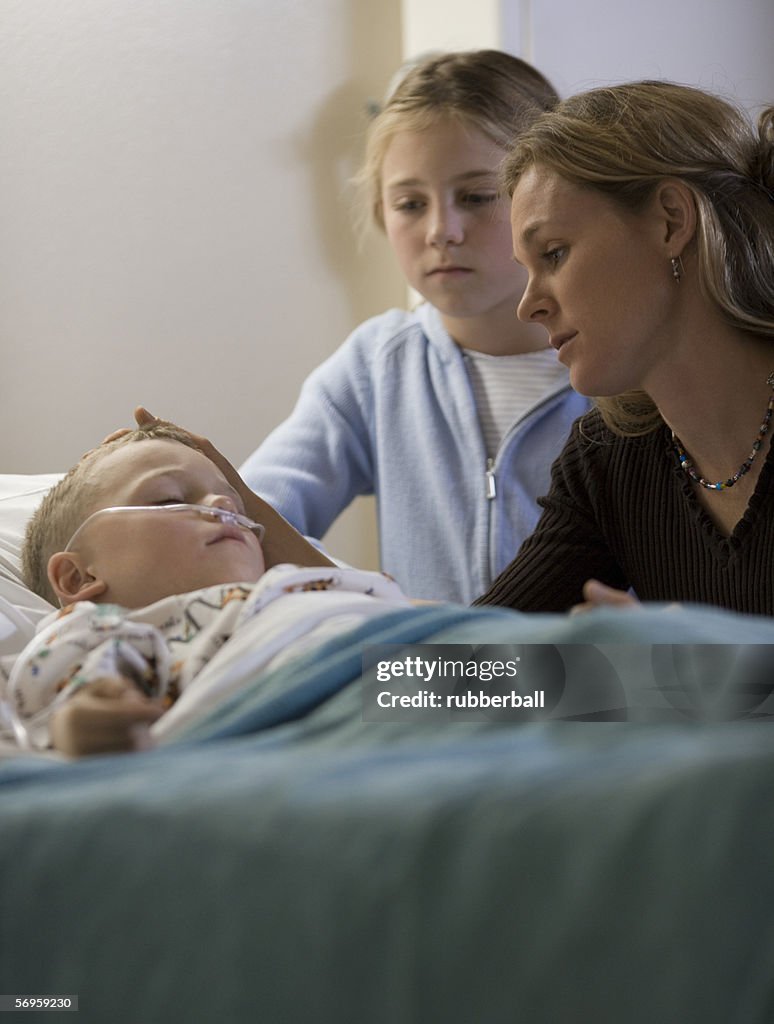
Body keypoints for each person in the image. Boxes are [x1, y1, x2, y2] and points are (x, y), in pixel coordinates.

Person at [239, 50, 590, 604]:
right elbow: (249, 524)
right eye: (409, 203)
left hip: (586, 686)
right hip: (426, 685)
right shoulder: (377, 365)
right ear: (381, 212)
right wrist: (371, 603)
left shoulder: (620, 365)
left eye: (476, 197)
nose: (441, 230)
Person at [473, 80, 774, 615]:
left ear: (670, 221)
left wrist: (665, 672)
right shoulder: (607, 460)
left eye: (555, 254)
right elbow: (459, 672)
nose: (529, 306)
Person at [7, 423, 410, 756]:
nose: (221, 503)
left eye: (236, 507)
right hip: (316, 702)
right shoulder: (107, 628)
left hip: (398, 665)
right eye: (168, 499)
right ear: (79, 578)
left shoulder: (302, 586)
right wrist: (81, 720)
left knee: (467, 685)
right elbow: (71, 687)